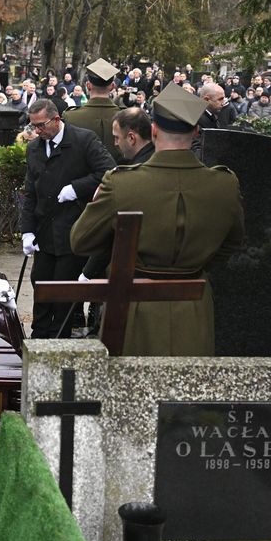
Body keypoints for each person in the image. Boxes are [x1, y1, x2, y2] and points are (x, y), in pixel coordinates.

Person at [70, 82, 245, 357]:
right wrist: (193, 264)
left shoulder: (121, 184)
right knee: (190, 392)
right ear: (197, 131)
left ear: (152, 131)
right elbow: (233, 244)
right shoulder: (225, 184)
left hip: (134, 307)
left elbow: (80, 241)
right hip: (195, 304)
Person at [20, 98, 115, 339]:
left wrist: (77, 188)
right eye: (33, 126)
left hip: (72, 231)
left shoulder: (83, 140)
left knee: (64, 292)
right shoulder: (34, 148)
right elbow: (30, 192)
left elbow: (108, 171)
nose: (37, 131)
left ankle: (59, 340)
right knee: (40, 286)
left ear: (56, 119)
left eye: (41, 125)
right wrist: (27, 231)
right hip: (44, 231)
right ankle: (38, 339)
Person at [64, 59, 122, 162]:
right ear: (112, 86)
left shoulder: (70, 116)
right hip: (119, 175)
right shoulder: (126, 117)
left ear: (88, 85)